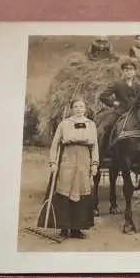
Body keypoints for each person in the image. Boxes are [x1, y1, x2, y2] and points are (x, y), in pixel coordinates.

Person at [47, 99, 99, 239]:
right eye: (76, 106)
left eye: (81, 106)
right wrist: (53, 162)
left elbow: (95, 146)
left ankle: (76, 229)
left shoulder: (91, 124)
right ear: (71, 109)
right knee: (65, 192)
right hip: (67, 160)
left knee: (81, 193)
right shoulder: (64, 124)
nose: (79, 109)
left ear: (85, 109)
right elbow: (55, 144)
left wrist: (94, 164)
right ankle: (64, 228)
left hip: (84, 160)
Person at [95, 59, 140, 153]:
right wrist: (115, 103)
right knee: (106, 126)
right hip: (120, 112)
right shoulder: (117, 84)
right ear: (123, 72)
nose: (128, 72)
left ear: (134, 72)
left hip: (136, 113)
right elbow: (103, 96)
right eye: (126, 70)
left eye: (131, 70)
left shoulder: (139, 85)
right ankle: (103, 150)